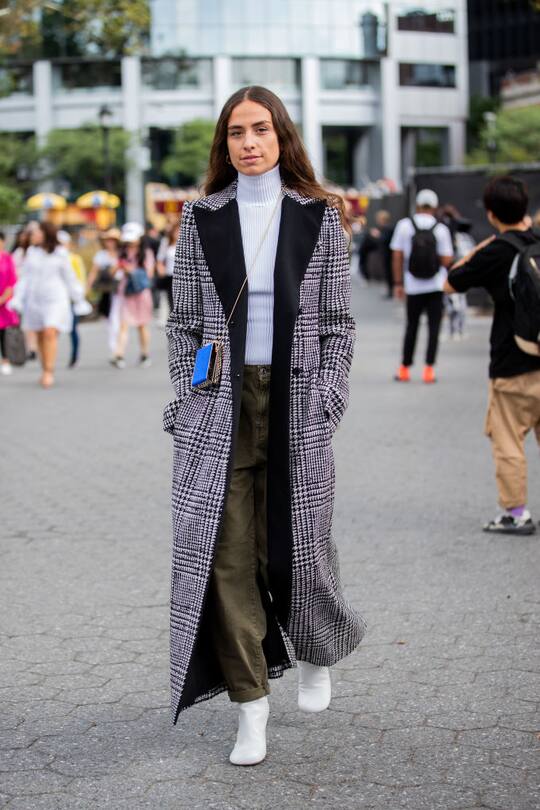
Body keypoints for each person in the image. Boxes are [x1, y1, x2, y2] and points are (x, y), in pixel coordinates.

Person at [164, 85, 366, 766]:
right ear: (224, 146)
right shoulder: (200, 218)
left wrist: (329, 397)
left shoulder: (319, 215)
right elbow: (184, 322)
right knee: (225, 557)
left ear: (281, 135)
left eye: (260, 130)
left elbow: (338, 324)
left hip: (297, 401)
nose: (248, 143)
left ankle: (314, 647)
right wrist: (192, 395)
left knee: (301, 548)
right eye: (235, 133)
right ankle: (250, 709)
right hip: (221, 404)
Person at [444, 175, 540, 535]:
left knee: (508, 442)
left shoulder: (498, 250)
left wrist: (490, 241)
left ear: (491, 214)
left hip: (512, 362)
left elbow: (451, 281)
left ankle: (516, 515)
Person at [391, 189, 453, 383]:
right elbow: (446, 258)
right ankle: (429, 369)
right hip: (436, 285)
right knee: (434, 328)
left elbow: (397, 256)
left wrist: (398, 283)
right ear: (434, 207)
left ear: (417, 205)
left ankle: (404, 368)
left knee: (412, 326)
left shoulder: (404, 225)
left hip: (412, 285)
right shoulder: (441, 228)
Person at [20, 222, 84, 388]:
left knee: (50, 331)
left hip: (55, 298)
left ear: (45, 233)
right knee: (40, 334)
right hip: (36, 299)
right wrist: (18, 298)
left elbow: (69, 277)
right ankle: (44, 367)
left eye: (36, 232)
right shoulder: (31, 253)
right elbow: (25, 278)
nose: (33, 235)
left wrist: (78, 297)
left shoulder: (60, 253)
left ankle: (49, 371)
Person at [111, 222, 155, 368]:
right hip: (126, 293)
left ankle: (144, 354)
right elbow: (113, 272)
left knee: (142, 325)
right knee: (123, 324)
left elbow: (148, 274)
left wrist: (130, 270)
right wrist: (118, 267)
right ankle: (119, 354)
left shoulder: (146, 254)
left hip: (141, 294)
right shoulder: (122, 253)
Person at [87, 229, 121, 361]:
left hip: (121, 290)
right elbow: (93, 272)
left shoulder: (121, 254)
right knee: (109, 318)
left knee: (116, 319)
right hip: (107, 290)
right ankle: (114, 347)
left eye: (113, 240)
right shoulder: (101, 255)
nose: (110, 243)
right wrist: (87, 288)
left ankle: (117, 348)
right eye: (108, 240)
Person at [57, 230, 87, 368]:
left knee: (72, 329)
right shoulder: (52, 258)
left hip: (69, 299)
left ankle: (74, 356)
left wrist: (78, 296)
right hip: (56, 299)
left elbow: (80, 278)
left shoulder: (74, 259)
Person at [359, 210, 394, 298]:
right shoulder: (383, 228)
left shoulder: (387, 229)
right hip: (384, 252)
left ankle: (390, 290)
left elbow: (385, 240)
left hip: (388, 253)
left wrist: (377, 235)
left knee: (389, 271)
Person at [0, 231, 20, 376]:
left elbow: (12, 282)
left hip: (3, 303)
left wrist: (2, 299)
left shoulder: (7, 259)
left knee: (3, 334)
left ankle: (6, 360)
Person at [156, 221, 179, 317]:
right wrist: (161, 269)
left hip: (182, 277)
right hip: (170, 276)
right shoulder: (166, 242)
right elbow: (159, 259)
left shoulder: (187, 243)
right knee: (171, 303)